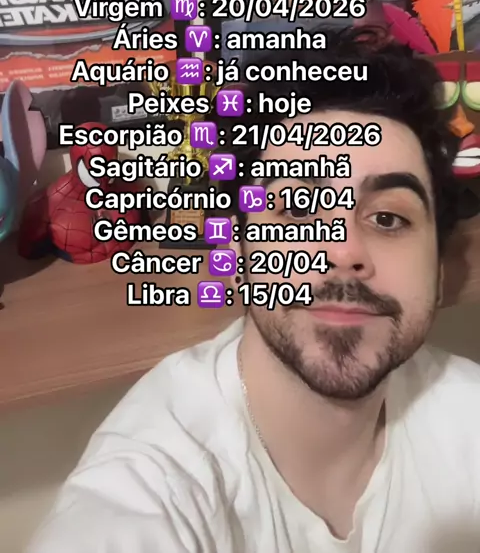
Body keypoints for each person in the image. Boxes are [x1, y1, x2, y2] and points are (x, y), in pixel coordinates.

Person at [28, 27, 480, 553]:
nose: (343, 250)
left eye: (388, 218)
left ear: (438, 271)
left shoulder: (465, 416)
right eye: (298, 207)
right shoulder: (156, 480)